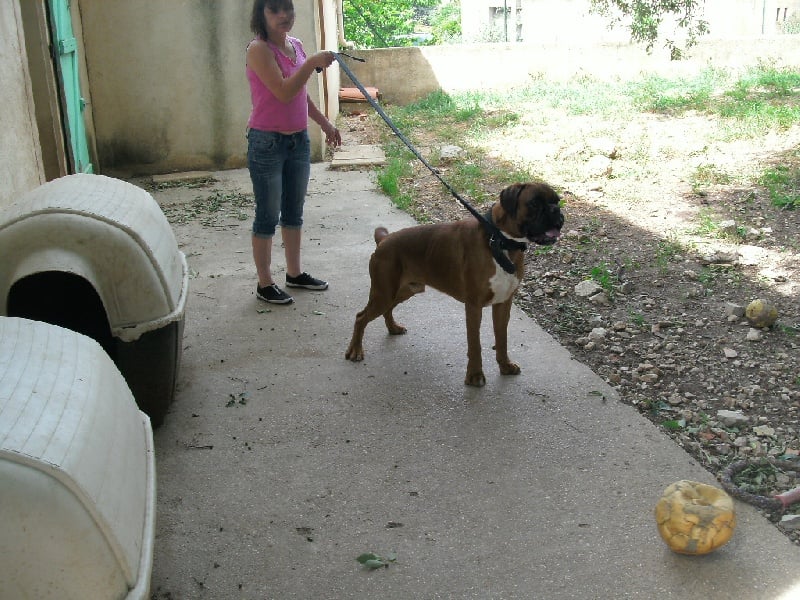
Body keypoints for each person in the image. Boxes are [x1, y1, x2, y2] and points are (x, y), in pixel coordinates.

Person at [246, 0, 342, 304]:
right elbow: (284, 91)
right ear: (261, 15)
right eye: (274, 10)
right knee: (267, 215)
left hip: (298, 141)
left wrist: (325, 123)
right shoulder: (258, 50)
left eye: (287, 8)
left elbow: (300, 95)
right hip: (267, 143)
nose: (284, 15)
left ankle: (295, 274)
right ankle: (264, 284)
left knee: (293, 212)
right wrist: (311, 62)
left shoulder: (296, 45)